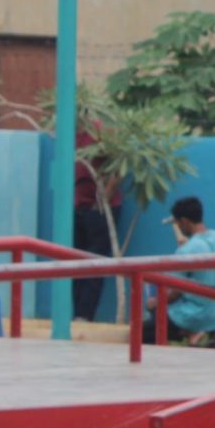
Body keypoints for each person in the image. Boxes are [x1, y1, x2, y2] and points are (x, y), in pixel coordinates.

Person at [141, 197, 215, 348]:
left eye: (178, 223)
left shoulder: (186, 250)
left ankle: (190, 334)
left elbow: (175, 292)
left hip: (191, 317)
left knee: (140, 331)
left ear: (184, 221)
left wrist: (155, 303)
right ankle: (205, 337)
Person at [73, 126, 122, 322]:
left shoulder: (101, 130)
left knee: (95, 263)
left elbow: (119, 165)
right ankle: (77, 313)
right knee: (75, 263)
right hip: (80, 207)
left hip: (100, 208)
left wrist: (103, 199)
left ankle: (84, 315)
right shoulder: (73, 132)